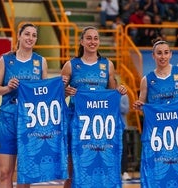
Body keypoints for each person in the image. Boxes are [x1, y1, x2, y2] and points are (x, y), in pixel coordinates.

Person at [61, 26, 127, 188]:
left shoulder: (107, 65)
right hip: (77, 123)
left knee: (100, 167)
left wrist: (120, 90)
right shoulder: (70, 65)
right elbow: (57, 96)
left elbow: (113, 94)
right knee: (73, 170)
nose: (92, 41)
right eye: (89, 38)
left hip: (100, 125)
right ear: (82, 41)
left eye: (96, 38)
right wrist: (66, 92)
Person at [133, 39, 178, 187]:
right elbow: (142, 105)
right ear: (153, 56)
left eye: (166, 53)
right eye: (159, 53)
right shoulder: (147, 80)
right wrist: (138, 106)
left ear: (171, 54)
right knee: (160, 168)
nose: (162, 56)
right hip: (159, 134)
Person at [0, 22, 48, 188]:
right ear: (19, 36)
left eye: (34, 35)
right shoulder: (5, 60)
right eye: (27, 34)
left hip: (30, 121)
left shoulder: (41, 62)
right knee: (5, 172)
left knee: (25, 174)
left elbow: (45, 93)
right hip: (8, 119)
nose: (30, 38)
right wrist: (8, 87)